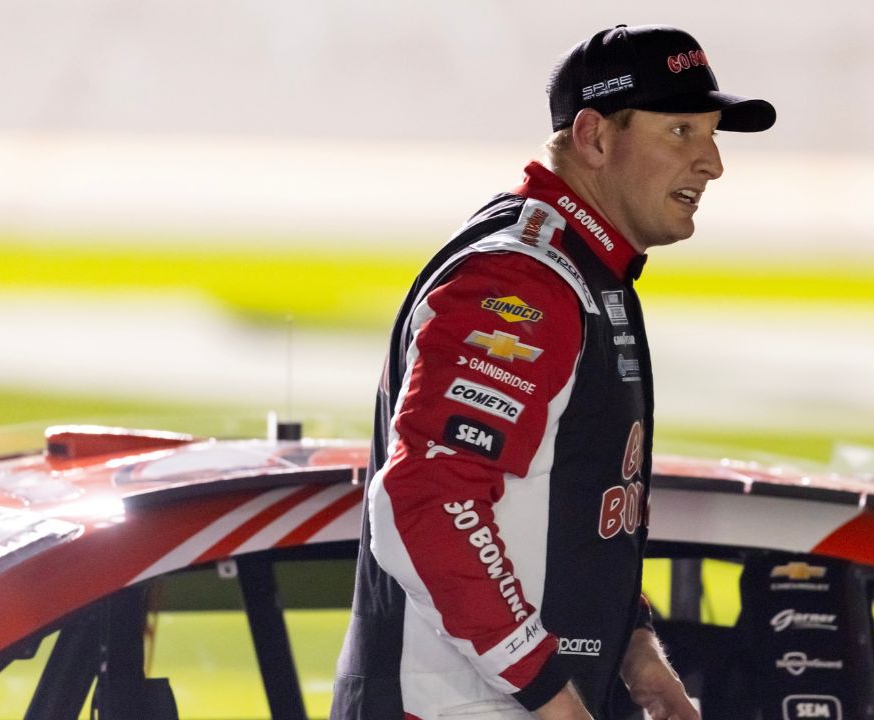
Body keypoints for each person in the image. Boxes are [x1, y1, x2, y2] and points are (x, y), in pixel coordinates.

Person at [331, 24, 775, 720]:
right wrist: (550, 697)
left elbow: (568, 517)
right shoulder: (523, 281)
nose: (713, 162)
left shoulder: (584, 272)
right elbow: (425, 502)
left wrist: (637, 654)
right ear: (595, 137)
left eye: (713, 133)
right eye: (682, 131)